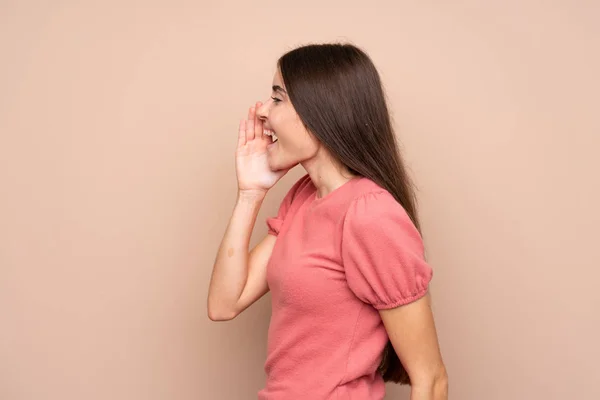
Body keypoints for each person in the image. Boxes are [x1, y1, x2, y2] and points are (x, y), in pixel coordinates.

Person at [207, 42, 448, 400]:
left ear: (318, 113)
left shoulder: (370, 213)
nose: (262, 112)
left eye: (277, 98)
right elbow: (224, 304)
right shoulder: (304, 196)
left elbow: (430, 379)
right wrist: (249, 194)